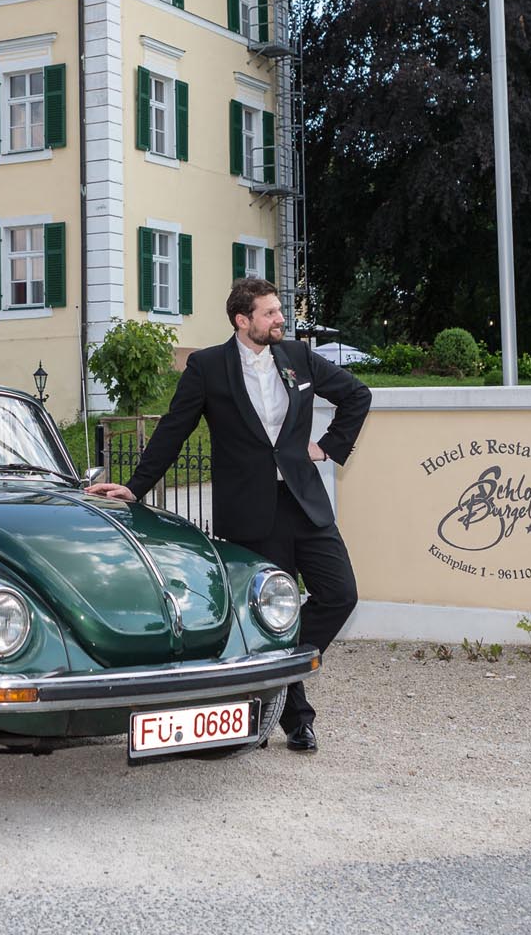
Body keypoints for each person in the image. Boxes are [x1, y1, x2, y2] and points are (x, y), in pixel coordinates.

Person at [84, 278, 371, 753]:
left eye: (280, 311)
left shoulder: (297, 357)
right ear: (243, 320)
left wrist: (326, 448)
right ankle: (297, 719)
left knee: (341, 594)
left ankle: (280, 678)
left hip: (303, 501)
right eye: (271, 313)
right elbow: (174, 430)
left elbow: (357, 395)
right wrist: (135, 488)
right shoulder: (208, 366)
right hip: (250, 512)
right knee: (261, 613)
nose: (281, 319)